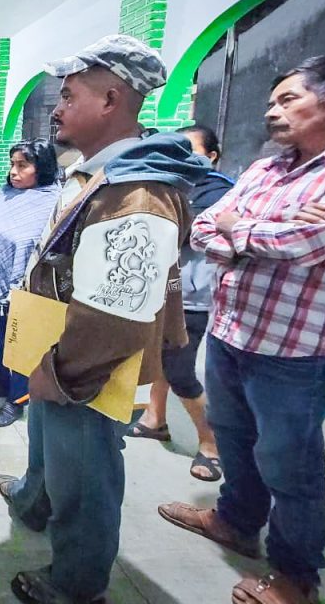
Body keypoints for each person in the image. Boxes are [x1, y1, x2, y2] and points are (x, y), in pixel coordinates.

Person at [0, 35, 207, 604]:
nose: (57, 108)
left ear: (111, 100)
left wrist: (61, 374)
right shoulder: (98, 172)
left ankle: (78, 583)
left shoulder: (137, 191)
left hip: (86, 361)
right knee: (49, 442)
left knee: (85, 473)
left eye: (69, 96)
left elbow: (116, 317)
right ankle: (33, 500)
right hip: (58, 338)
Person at [158, 56, 325, 604]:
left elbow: (306, 244)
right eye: (271, 102)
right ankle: (236, 523)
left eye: (288, 100)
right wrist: (254, 230)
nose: (272, 111)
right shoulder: (264, 169)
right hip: (232, 331)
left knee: (289, 463)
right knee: (234, 438)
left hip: (296, 350)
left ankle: (295, 575)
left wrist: (240, 229)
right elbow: (202, 229)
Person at [126, 123, 231, 480]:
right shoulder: (175, 185)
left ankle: (211, 444)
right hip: (162, 291)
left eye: (191, 150)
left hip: (191, 298)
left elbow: (180, 232)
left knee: (181, 372)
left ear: (212, 156)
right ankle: (154, 419)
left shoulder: (218, 192)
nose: (181, 157)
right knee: (160, 359)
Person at [0, 139, 60, 428]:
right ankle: (2, 384)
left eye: (22, 165)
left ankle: (17, 400)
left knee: (21, 347)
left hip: (29, 291)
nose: (14, 172)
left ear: (41, 168)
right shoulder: (5, 194)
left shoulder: (52, 201)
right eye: (12, 164)